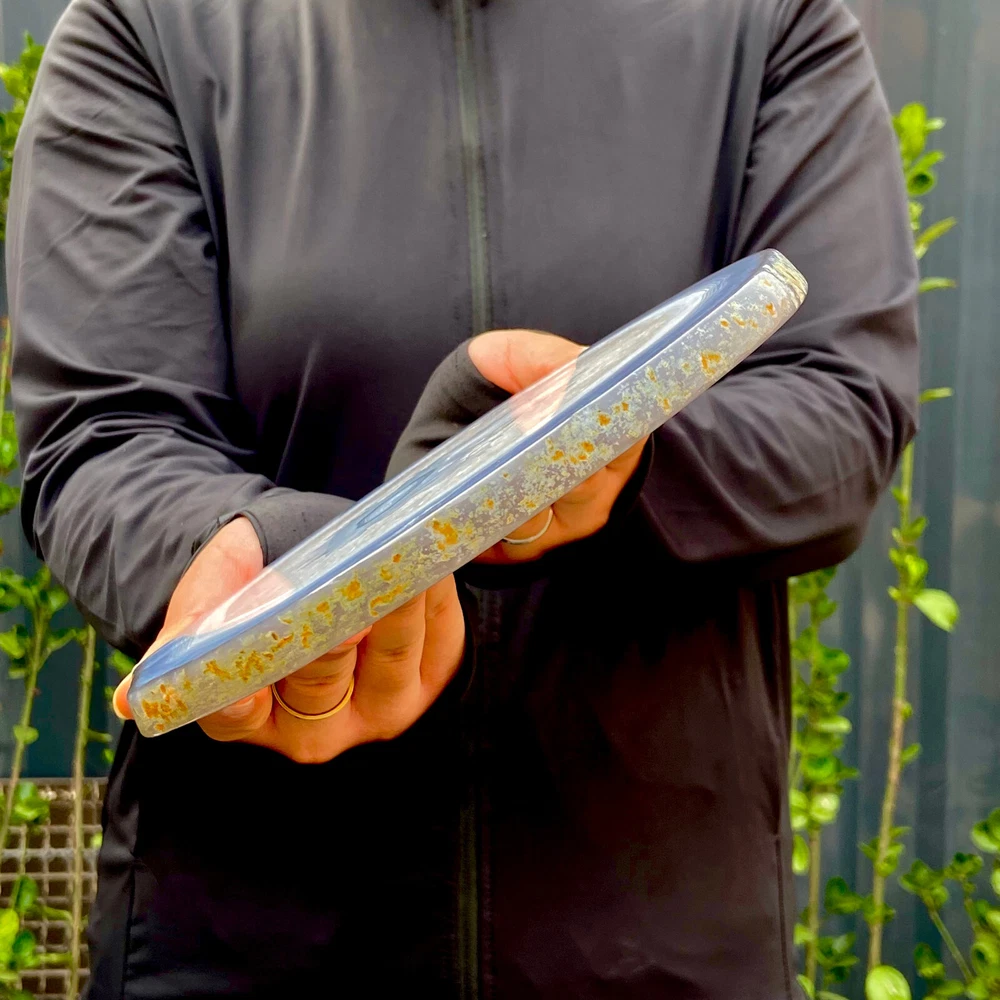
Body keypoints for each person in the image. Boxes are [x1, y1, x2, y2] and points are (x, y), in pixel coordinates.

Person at [6, 0, 918, 996]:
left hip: (661, 942)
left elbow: (843, 407)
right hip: (238, 946)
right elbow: (106, 433)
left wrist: (624, 452)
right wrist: (271, 564)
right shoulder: (147, 26)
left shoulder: (770, 21)